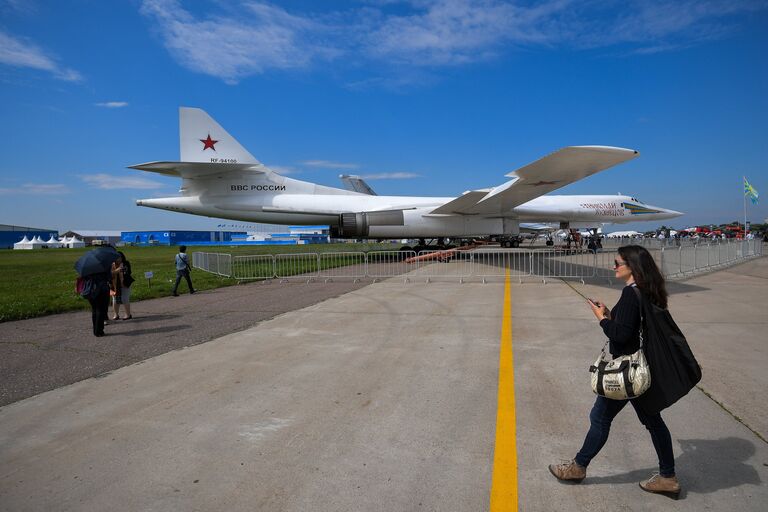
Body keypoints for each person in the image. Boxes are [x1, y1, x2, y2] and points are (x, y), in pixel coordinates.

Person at [549, 245, 681, 499]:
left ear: (632, 266)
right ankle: (667, 476)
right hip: (642, 371)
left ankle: (578, 467)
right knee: (653, 422)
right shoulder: (647, 291)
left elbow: (620, 335)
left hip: (627, 373)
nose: (614, 267)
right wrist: (611, 314)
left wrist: (601, 318)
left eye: (617, 263)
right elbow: (630, 327)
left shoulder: (631, 294)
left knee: (600, 418)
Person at [111, 251, 134, 320]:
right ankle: (116, 315)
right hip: (114, 284)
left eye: (120, 257)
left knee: (125, 299)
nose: (118, 259)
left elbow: (129, 272)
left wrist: (123, 271)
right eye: (117, 258)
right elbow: (109, 274)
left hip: (125, 283)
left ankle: (128, 314)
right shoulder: (111, 265)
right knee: (115, 300)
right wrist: (116, 271)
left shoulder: (126, 263)